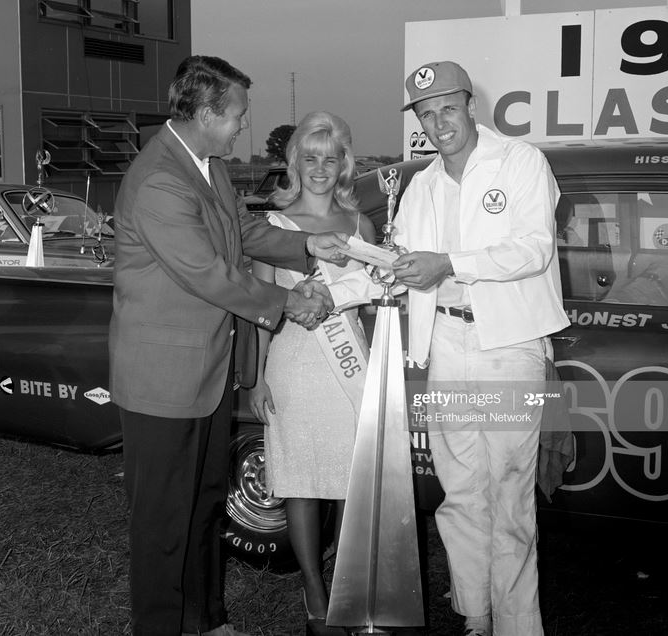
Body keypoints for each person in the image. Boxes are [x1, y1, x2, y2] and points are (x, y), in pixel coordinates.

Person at [109, 55, 349, 636]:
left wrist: (313, 245)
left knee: (206, 505)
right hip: (162, 384)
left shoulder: (207, 165)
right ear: (208, 113)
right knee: (165, 524)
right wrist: (290, 302)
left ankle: (207, 620)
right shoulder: (160, 178)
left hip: (206, 375)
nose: (244, 125)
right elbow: (208, 272)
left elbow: (243, 232)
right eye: (238, 114)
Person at [329, 61, 570, 636]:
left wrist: (449, 264)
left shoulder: (520, 162)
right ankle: (475, 614)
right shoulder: (422, 186)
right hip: (446, 345)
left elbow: (532, 249)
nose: (438, 124)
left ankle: (517, 625)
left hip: (510, 348)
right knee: (460, 492)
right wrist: (331, 289)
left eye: (447, 109)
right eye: (425, 114)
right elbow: (400, 268)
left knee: (510, 493)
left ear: (470, 105)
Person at [247, 111, 375, 636]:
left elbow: (369, 304)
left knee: (349, 481)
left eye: (331, 157)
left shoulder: (361, 225)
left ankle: (344, 586)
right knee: (301, 482)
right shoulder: (273, 226)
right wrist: (256, 378)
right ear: (294, 163)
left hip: (350, 366)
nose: (320, 167)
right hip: (295, 363)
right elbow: (256, 306)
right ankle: (313, 591)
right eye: (310, 157)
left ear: (344, 163)